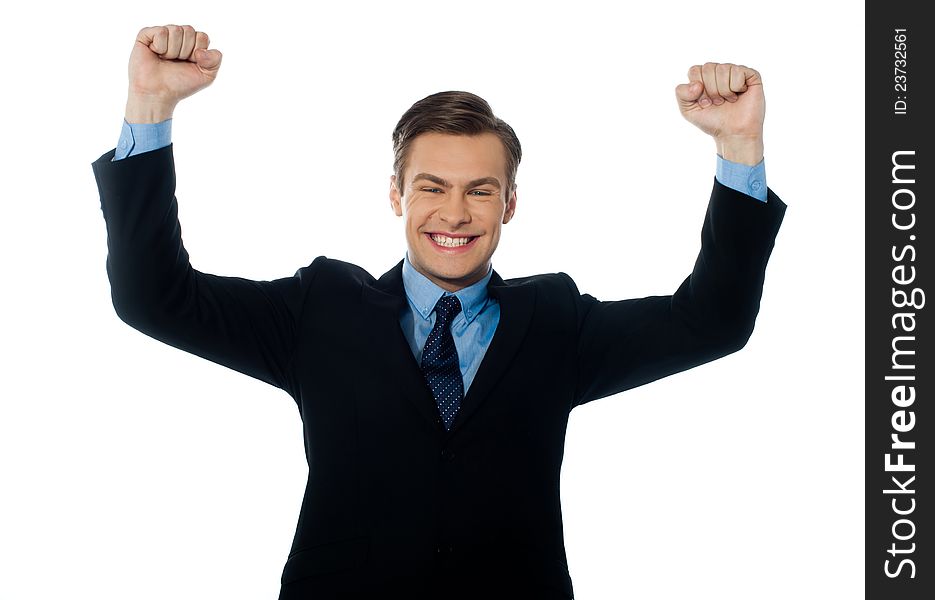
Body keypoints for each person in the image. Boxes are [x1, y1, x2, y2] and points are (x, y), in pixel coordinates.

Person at [91, 24, 786, 600]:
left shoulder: (554, 322)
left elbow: (712, 321)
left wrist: (736, 148)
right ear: (396, 194)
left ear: (509, 204)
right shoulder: (319, 310)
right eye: (432, 187)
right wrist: (150, 107)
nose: (454, 213)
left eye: (481, 191)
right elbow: (155, 297)